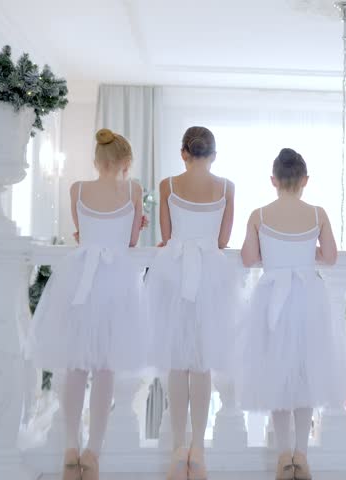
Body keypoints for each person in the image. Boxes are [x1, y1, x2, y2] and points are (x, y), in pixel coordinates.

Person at [28, 128, 146, 480]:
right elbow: (130, 240)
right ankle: (93, 452)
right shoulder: (133, 190)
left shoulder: (77, 189)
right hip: (117, 282)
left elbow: (81, 233)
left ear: (97, 161)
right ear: (126, 163)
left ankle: (69, 447)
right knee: (105, 368)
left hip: (80, 279)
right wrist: (136, 223)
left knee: (75, 366)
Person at [238, 147, 346, 480]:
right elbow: (330, 256)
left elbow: (248, 257)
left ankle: (282, 454)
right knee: (306, 373)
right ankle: (302, 455)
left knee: (276, 373)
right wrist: (304, 249)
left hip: (272, 297)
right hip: (308, 299)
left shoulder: (259, 214)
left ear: (273, 180)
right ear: (305, 180)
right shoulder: (317, 214)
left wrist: (277, 250)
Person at [145, 126, 238, 480]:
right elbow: (224, 238)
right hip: (211, 274)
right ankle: (198, 447)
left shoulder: (168, 184)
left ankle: (177, 448)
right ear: (213, 155)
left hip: (174, 272)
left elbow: (166, 237)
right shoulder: (227, 187)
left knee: (176, 362)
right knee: (202, 363)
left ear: (184, 152)